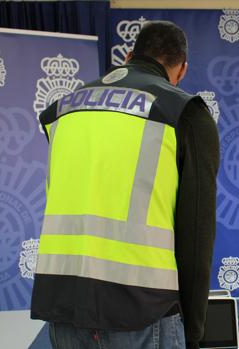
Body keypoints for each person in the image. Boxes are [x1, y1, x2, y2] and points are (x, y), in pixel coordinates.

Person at [30, 20, 219, 349]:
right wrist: (194, 330)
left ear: (129, 55)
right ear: (181, 70)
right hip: (144, 310)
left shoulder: (64, 110)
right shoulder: (183, 112)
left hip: (63, 304)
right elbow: (196, 234)